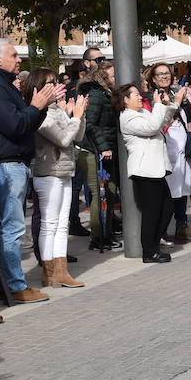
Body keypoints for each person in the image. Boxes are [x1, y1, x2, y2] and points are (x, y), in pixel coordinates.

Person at [0, 39, 60, 301]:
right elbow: (15, 125)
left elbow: (27, 123)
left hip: (13, 163)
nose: (18, 59)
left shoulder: (4, 86)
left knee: (8, 228)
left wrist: (40, 107)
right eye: (13, 55)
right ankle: (15, 286)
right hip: (4, 166)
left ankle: (11, 286)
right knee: (10, 229)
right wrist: (36, 106)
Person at [27, 67, 88, 287]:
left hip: (65, 170)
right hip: (48, 172)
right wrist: (76, 117)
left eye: (56, 82)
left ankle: (62, 271)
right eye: (50, 83)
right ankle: (49, 272)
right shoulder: (40, 113)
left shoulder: (57, 109)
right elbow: (63, 139)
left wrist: (78, 115)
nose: (57, 87)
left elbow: (77, 136)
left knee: (62, 224)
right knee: (49, 223)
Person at [118, 82, 183, 262]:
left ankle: (154, 245)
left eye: (140, 94)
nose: (141, 97)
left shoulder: (143, 112)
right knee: (151, 212)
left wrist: (170, 105)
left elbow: (160, 122)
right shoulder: (127, 117)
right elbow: (152, 128)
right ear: (125, 100)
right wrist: (158, 105)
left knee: (167, 208)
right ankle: (149, 252)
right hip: (145, 169)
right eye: (135, 95)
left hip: (156, 168)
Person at [147, 63, 191, 237]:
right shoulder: (150, 96)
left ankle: (181, 224)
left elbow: (190, 117)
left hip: (180, 146)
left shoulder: (176, 92)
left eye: (167, 73)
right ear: (153, 78)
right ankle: (162, 230)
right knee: (168, 191)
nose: (164, 76)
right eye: (160, 74)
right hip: (165, 144)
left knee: (182, 187)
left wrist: (183, 102)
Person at [79, 60, 119, 252]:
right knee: (100, 195)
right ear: (104, 77)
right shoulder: (96, 94)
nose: (116, 78)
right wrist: (103, 148)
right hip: (94, 152)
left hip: (104, 150)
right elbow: (91, 124)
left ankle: (106, 234)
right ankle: (98, 237)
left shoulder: (105, 94)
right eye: (112, 75)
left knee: (109, 194)